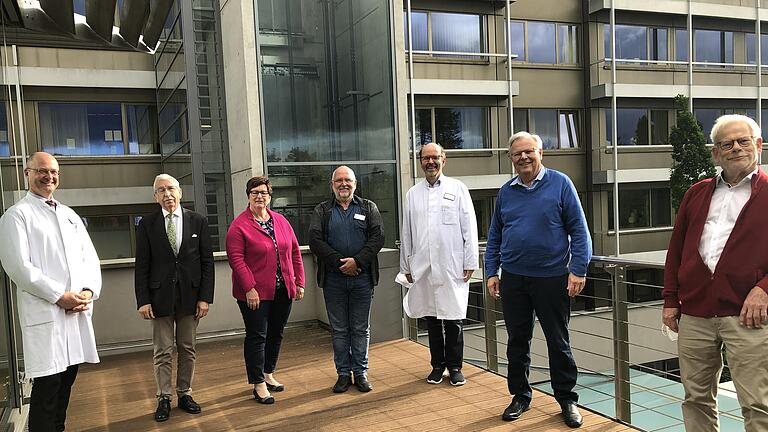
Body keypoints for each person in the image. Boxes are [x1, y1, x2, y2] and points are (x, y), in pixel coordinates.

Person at [662, 114, 768, 432]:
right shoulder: (697, 193)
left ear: (758, 145)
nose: (736, 148)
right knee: (695, 399)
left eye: (743, 141)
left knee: (757, 404)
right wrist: (670, 300)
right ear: (716, 153)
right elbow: (676, 250)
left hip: (747, 316)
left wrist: (765, 288)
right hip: (694, 313)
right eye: (726, 144)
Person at [485, 131, 591, 428]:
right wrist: (492, 271)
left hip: (552, 277)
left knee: (558, 341)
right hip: (514, 279)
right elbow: (495, 235)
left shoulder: (560, 183)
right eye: (517, 153)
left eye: (528, 151)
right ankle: (520, 395)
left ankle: (567, 400)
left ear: (540, 153)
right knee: (517, 341)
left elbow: (580, 231)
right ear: (511, 158)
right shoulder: (506, 192)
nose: (523, 157)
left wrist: (579, 269)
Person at [0, 152, 101, 432]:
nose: (49, 176)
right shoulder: (16, 215)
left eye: (54, 172)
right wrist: (60, 296)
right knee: (47, 388)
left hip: (75, 313)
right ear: (27, 174)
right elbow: (19, 267)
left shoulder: (69, 215)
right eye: (42, 171)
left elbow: (89, 258)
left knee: (67, 381)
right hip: (47, 314)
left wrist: (88, 292)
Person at [134, 174, 214, 422]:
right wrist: (143, 300)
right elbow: (142, 266)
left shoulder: (198, 221)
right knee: (162, 350)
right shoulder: (146, 224)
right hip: (159, 298)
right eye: (161, 190)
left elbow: (207, 263)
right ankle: (164, 397)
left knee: (187, 348)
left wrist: (205, 298)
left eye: (170, 189)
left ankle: (185, 393)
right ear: (155, 196)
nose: (167, 194)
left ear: (179, 192)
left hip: (191, 297)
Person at [399, 142, 479, 386]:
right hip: (424, 266)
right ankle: (437, 365)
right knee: (431, 318)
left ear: (443, 160)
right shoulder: (413, 193)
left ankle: (455, 367)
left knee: (453, 318)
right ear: (420, 161)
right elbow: (407, 233)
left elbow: (470, 227)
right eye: (426, 158)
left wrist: (470, 260)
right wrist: (407, 267)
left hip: (451, 265)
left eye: (435, 157)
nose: (430, 162)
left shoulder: (458, 188)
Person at [226, 176, 305, 404]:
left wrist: (299, 282)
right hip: (255, 295)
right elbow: (237, 260)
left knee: (276, 333)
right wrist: (249, 288)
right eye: (255, 192)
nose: (259, 196)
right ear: (248, 196)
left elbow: (294, 253)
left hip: (283, 290)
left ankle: (268, 373)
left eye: (264, 193)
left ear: (270, 196)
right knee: (257, 336)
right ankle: (258, 383)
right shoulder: (239, 226)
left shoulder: (281, 221)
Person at [309, 166, 385, 393]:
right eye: (338, 180)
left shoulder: (368, 207)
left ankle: (360, 373)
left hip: (363, 279)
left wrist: (357, 262)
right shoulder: (322, 210)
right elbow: (315, 240)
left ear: (355, 183)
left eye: (347, 180)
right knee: (340, 329)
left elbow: (378, 237)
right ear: (332, 185)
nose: (343, 184)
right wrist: (340, 263)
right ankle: (343, 374)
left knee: (361, 329)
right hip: (334, 280)